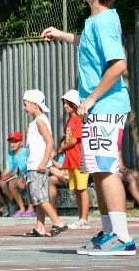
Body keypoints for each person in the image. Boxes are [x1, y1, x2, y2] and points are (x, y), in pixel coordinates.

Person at [42, 0, 136, 256]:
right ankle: (109, 231)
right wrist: (62, 35)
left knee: (106, 169)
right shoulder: (96, 21)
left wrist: (91, 99)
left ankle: (122, 237)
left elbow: (119, 65)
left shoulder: (104, 21)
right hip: (98, 109)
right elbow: (88, 45)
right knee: (97, 171)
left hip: (105, 107)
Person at [21, 89, 67, 238]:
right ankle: (40, 227)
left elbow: (50, 142)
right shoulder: (37, 121)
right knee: (38, 197)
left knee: (39, 197)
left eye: (25, 104)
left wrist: (43, 162)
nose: (24, 107)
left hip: (37, 166)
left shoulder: (40, 121)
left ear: (35, 105)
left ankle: (57, 221)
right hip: (34, 165)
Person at [58, 89, 90, 227]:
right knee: (77, 190)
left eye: (68, 103)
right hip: (72, 160)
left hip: (80, 159)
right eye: (64, 103)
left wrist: (62, 148)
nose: (65, 106)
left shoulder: (78, 120)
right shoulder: (70, 121)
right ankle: (80, 217)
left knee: (82, 189)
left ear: (75, 104)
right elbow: (67, 138)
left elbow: (73, 140)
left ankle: (85, 218)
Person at [0, 131, 31, 217]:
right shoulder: (10, 154)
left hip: (22, 176)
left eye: (16, 141)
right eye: (11, 142)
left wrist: (6, 177)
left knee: (4, 183)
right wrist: (1, 177)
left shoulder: (25, 151)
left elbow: (18, 170)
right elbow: (8, 168)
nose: (13, 144)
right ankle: (6, 204)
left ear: (21, 142)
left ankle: (13, 203)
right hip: (12, 176)